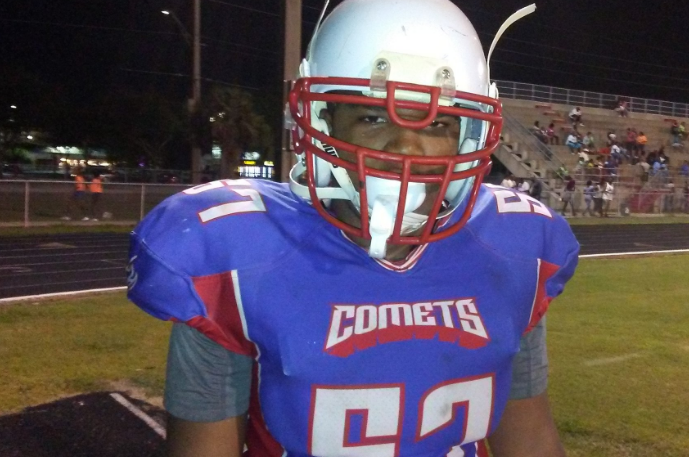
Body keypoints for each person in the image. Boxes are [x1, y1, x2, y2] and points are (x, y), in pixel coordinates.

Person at [126, 2, 579, 457]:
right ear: (321, 121)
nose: (407, 145)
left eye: (438, 122)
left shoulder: (515, 254)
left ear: (468, 138)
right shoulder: (232, 257)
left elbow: (531, 440)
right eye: (373, 117)